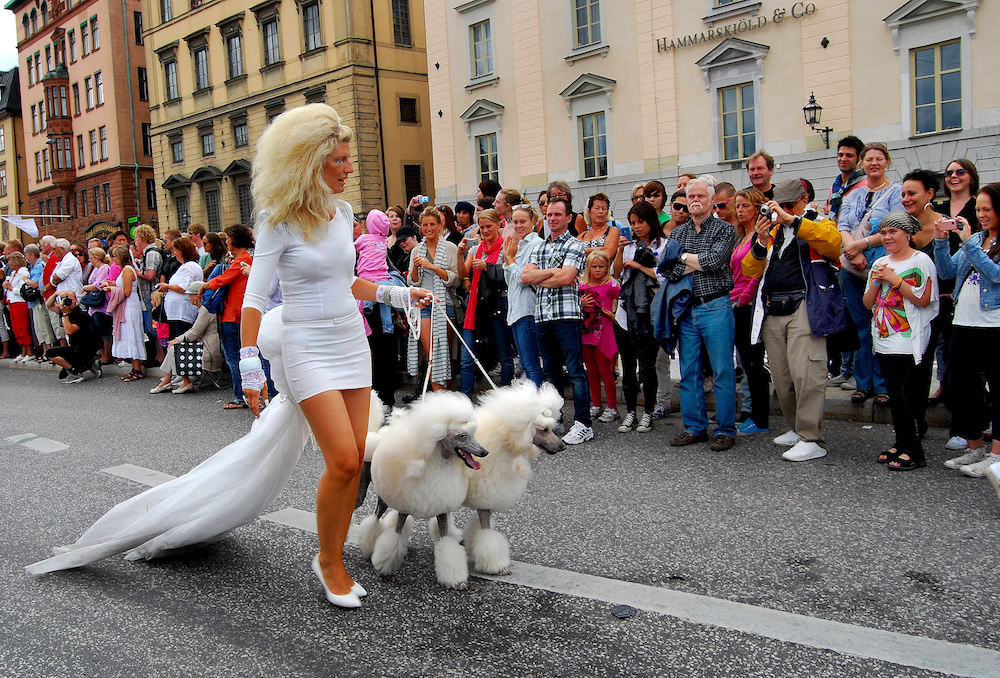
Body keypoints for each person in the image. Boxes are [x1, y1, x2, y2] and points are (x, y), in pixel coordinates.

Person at [241, 103, 434, 607]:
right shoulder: (277, 221)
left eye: (349, 159)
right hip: (307, 344)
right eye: (341, 160)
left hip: (351, 339)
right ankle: (328, 561)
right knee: (344, 459)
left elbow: (344, 281)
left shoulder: (343, 212)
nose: (351, 168)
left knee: (354, 460)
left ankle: (336, 556)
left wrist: (398, 294)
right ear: (311, 162)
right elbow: (256, 299)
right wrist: (247, 367)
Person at [742, 180, 845, 461]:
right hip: (772, 306)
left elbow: (834, 245)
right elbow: (749, 268)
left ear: (804, 200)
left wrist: (794, 220)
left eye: (789, 205)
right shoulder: (773, 231)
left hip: (805, 304)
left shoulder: (819, 222)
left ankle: (812, 437)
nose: (784, 211)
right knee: (782, 375)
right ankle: (796, 428)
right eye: (781, 206)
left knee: (806, 373)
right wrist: (761, 241)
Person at [664, 177, 737, 450]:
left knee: (722, 371)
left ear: (710, 200)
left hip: (715, 306)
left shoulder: (724, 229)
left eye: (700, 196)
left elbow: (715, 261)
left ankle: (726, 430)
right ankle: (695, 427)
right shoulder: (678, 233)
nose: (694, 200)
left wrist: (683, 257)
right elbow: (667, 269)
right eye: (690, 196)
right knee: (689, 372)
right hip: (687, 310)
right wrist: (697, 261)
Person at [934, 183, 1000, 478]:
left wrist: (969, 244)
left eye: (987, 210)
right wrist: (939, 241)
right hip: (964, 322)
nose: (981, 215)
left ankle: (997, 456)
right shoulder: (975, 239)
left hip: (994, 325)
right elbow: (947, 273)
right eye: (978, 210)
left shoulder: (975, 243)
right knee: (960, 385)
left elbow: (996, 276)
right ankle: (975, 447)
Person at [863, 210, 938, 470]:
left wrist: (895, 281)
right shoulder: (880, 262)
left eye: (893, 231)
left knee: (902, 390)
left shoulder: (921, 261)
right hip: (884, 334)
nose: (887, 237)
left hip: (908, 336)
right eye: (883, 232)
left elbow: (924, 299)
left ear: (907, 233)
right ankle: (901, 442)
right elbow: (868, 302)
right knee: (894, 393)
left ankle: (914, 449)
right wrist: (876, 280)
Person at [522, 196, 592, 444]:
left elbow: (566, 278)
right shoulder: (539, 247)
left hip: (566, 316)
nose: (552, 219)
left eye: (557, 215)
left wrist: (543, 276)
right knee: (551, 372)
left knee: (575, 371)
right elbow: (525, 277)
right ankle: (557, 418)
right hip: (542, 316)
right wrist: (554, 272)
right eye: (549, 215)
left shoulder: (575, 245)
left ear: (569, 218)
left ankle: (584, 423)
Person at [837, 142, 903, 406]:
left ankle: (883, 384)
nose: (873, 163)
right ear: (862, 163)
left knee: (882, 324)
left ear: (887, 162)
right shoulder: (853, 194)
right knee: (862, 326)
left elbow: (896, 224)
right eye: (869, 159)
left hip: (881, 266)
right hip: (853, 266)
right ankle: (863, 383)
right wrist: (851, 248)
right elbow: (842, 225)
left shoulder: (895, 192)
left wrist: (861, 245)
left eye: (879, 158)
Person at [930, 159, 981, 412]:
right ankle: (943, 383)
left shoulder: (978, 207)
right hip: (943, 270)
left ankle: (966, 390)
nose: (953, 176)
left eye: (960, 172)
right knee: (941, 339)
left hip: (971, 274)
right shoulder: (939, 207)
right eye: (949, 173)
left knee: (960, 340)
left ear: (971, 176)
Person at [613, 201, 664, 432]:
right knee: (628, 366)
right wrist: (622, 250)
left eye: (640, 221)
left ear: (651, 221)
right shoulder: (630, 246)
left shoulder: (664, 245)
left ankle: (648, 412)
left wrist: (639, 266)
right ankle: (631, 411)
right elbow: (616, 273)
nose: (637, 227)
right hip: (625, 313)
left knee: (648, 366)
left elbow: (664, 276)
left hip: (648, 314)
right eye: (633, 223)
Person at [457, 208, 514, 397]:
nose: (485, 230)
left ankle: (504, 397)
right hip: (475, 307)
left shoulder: (506, 246)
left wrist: (487, 267)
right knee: (467, 358)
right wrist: (459, 254)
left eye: (489, 226)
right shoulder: (475, 249)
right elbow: (462, 273)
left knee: (505, 354)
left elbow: (508, 274)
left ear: (499, 225)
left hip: (497, 306)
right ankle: (465, 400)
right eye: (482, 227)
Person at [408, 206, 460, 391]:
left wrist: (433, 267)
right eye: (424, 225)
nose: (428, 228)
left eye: (432, 224)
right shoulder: (416, 251)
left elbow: (455, 279)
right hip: (423, 305)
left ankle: (447, 397)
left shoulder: (449, 248)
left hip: (444, 304)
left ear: (440, 225)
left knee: (443, 354)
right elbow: (412, 282)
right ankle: (440, 400)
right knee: (432, 355)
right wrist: (415, 268)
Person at [203, 224, 255, 409]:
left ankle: (241, 396)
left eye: (227, 238)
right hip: (237, 313)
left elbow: (223, 279)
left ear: (235, 238)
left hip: (232, 315)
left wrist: (203, 286)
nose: (226, 241)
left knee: (234, 358)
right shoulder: (244, 258)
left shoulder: (242, 259)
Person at [731, 189, 769, 435]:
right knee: (746, 362)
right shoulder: (741, 236)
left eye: (745, 205)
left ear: (757, 208)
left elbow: (759, 271)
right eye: (738, 206)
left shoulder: (761, 237)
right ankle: (753, 414)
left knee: (754, 362)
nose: (740, 210)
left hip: (749, 304)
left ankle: (760, 418)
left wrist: (743, 300)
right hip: (736, 302)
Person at [150, 280, 223, 394]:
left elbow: (194, 333)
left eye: (190, 294)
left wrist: (177, 339)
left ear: (196, 295)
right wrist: (177, 339)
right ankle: (168, 381)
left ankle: (181, 382)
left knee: (175, 348)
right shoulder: (204, 308)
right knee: (174, 346)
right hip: (205, 346)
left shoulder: (206, 310)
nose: (188, 297)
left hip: (208, 350)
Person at [502, 202, 544, 387]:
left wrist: (510, 259)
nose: (518, 226)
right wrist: (508, 258)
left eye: (522, 221)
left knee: (532, 364)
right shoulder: (516, 244)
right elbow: (509, 279)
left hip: (528, 310)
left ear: (533, 221)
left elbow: (524, 278)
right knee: (526, 363)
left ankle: (539, 408)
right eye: (515, 221)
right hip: (516, 310)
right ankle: (531, 406)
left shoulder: (536, 244)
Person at [580, 250, 619, 423]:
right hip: (586, 332)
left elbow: (626, 300)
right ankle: (596, 404)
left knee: (605, 370)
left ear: (607, 268)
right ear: (587, 267)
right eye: (593, 266)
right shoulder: (580, 285)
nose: (597, 270)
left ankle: (612, 406)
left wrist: (615, 315)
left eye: (601, 266)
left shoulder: (611, 285)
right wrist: (579, 303)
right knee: (591, 371)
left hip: (604, 333)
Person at [104, 244, 147, 381]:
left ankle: (137, 369)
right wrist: (113, 285)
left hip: (129, 306)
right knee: (129, 336)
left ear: (121, 257)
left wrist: (111, 289)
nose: (113, 259)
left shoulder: (128, 270)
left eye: (114, 256)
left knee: (132, 335)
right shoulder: (126, 270)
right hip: (127, 305)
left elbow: (127, 292)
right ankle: (134, 368)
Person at [44, 290, 102, 383]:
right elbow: (49, 305)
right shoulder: (67, 311)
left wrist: (66, 314)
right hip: (77, 348)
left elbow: (69, 331)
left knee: (50, 353)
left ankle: (77, 373)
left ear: (76, 300)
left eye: (70, 300)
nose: (68, 303)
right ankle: (89, 365)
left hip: (84, 350)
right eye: (65, 300)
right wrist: (56, 294)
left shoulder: (80, 314)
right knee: (63, 376)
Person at [158, 236, 202, 339]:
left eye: (176, 250)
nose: (174, 253)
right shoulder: (185, 266)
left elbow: (184, 287)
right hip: (176, 314)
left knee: (181, 342)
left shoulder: (189, 266)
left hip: (182, 313)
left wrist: (166, 286)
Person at [81, 247, 113, 364]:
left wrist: (85, 288)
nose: (89, 260)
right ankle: (102, 353)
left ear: (96, 258)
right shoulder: (95, 269)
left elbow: (98, 285)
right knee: (95, 330)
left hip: (101, 304)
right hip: (93, 305)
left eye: (90, 258)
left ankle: (107, 355)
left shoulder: (103, 268)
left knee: (103, 329)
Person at [2, 251, 33, 363]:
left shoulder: (23, 272)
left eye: (11, 260)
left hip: (20, 302)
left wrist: (11, 288)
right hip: (12, 302)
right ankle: (23, 350)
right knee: (16, 328)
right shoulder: (14, 273)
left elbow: (22, 290)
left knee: (23, 326)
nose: (9, 263)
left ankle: (29, 351)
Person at [827, 136, 867, 220]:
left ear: (859, 159)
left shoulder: (866, 185)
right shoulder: (835, 188)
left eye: (849, 155)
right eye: (840, 155)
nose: (843, 159)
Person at [579, 193, 620, 262]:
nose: (600, 211)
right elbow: (574, 254)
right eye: (597, 208)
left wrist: (585, 252)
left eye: (604, 209)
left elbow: (608, 254)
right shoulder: (582, 235)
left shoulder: (612, 230)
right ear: (589, 212)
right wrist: (599, 249)